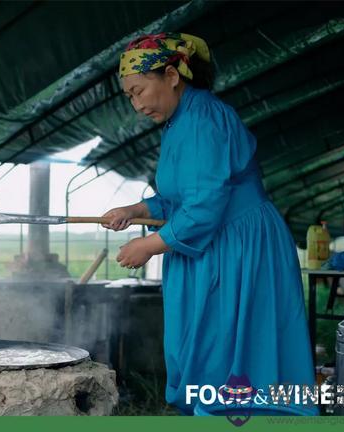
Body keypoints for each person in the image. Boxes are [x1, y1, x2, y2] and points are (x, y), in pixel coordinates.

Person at [102, 32, 318, 415]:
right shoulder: (177, 123)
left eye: (139, 90)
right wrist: (136, 210)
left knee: (229, 348)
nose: (136, 105)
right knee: (201, 345)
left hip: (238, 247)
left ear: (171, 75)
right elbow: (179, 197)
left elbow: (204, 206)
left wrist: (148, 246)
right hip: (209, 246)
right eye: (129, 96)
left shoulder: (203, 117)